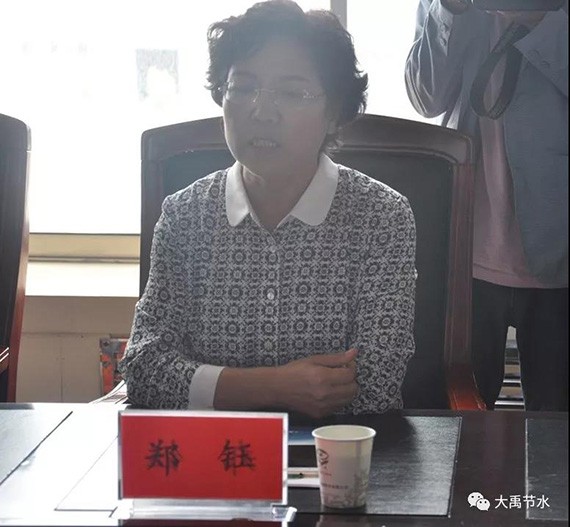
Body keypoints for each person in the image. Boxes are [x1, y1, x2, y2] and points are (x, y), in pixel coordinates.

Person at [120, 0, 416, 417]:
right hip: (214, 451)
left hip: (337, 450)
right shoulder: (185, 215)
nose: (261, 111)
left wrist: (213, 386)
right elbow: (144, 368)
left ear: (334, 114)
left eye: (292, 93)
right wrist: (277, 387)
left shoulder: (381, 217)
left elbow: (376, 386)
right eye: (242, 88)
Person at [405, 0, 568, 410]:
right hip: (465, 250)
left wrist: (540, 21)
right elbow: (426, 97)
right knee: (456, 418)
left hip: (559, 244)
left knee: (557, 421)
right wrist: (450, 10)